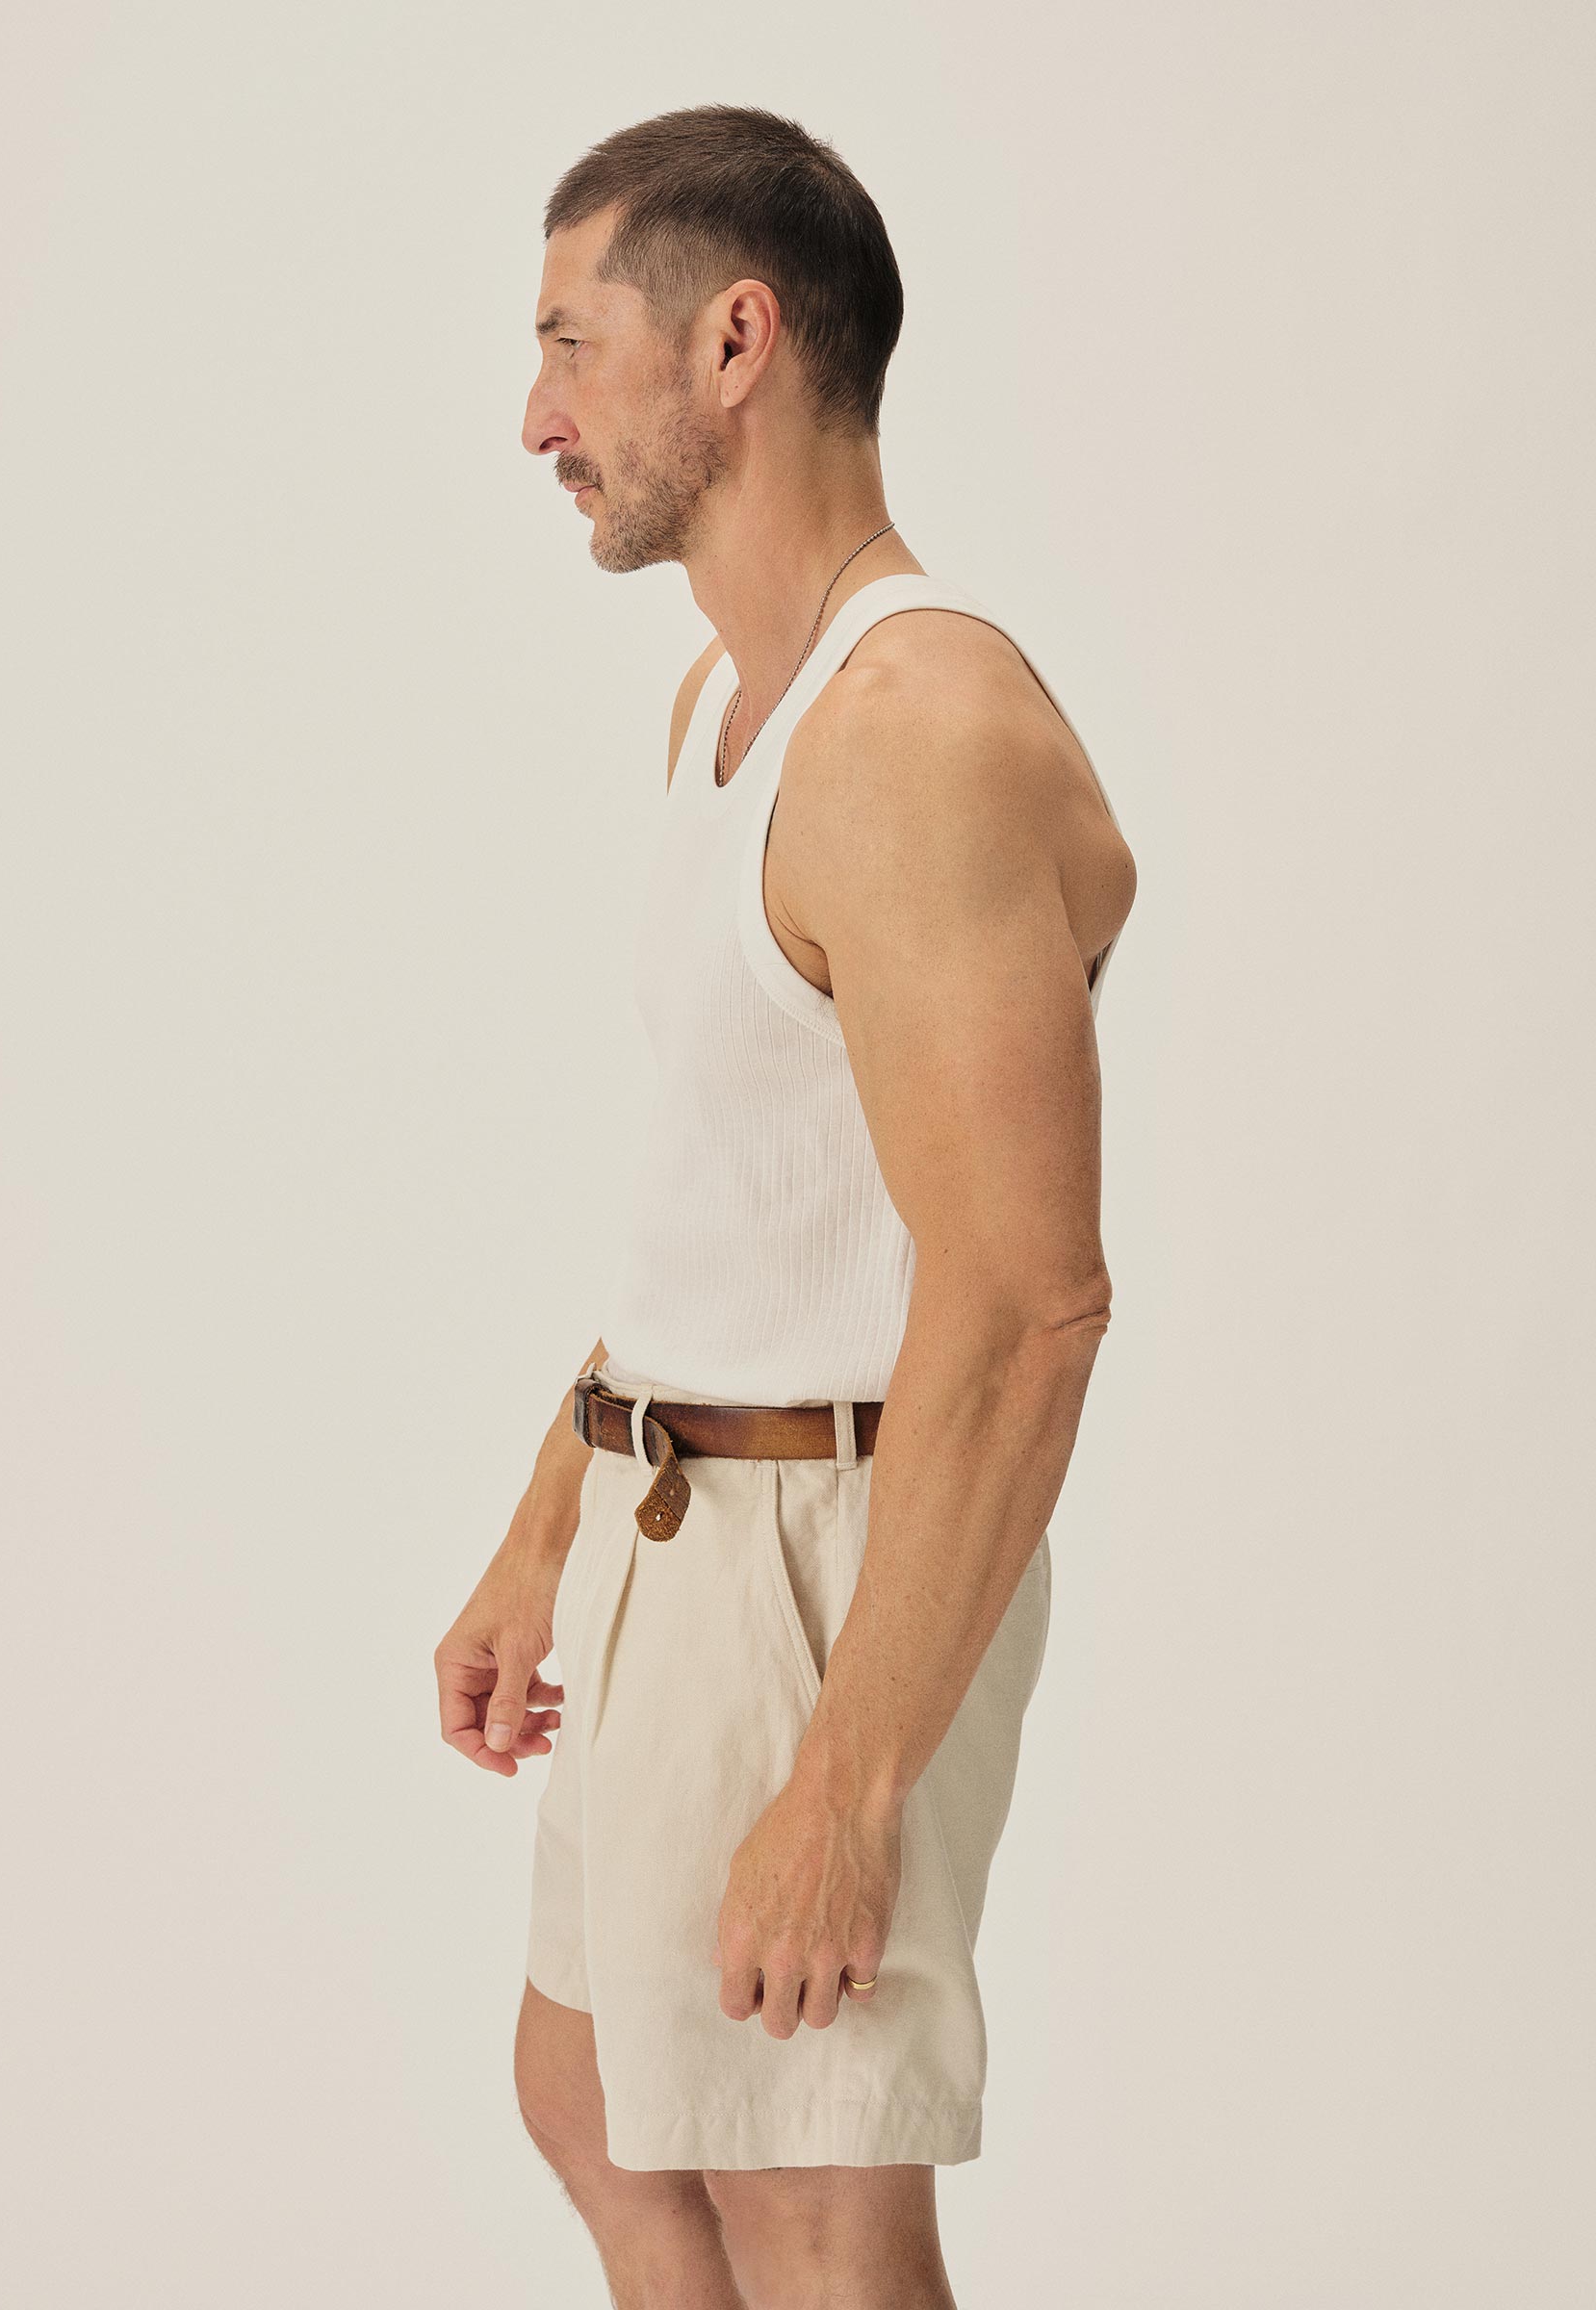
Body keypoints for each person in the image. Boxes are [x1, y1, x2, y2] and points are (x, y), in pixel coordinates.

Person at [434, 101, 1138, 2308]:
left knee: (816, 2207)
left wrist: (850, 1782)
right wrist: (548, 1519)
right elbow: (737, 1192)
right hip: (676, 1515)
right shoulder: (732, 709)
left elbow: (1028, 1306)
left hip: (826, 1554)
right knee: (588, 2100)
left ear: (735, 343)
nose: (534, 416)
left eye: (570, 345)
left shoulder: (916, 732)